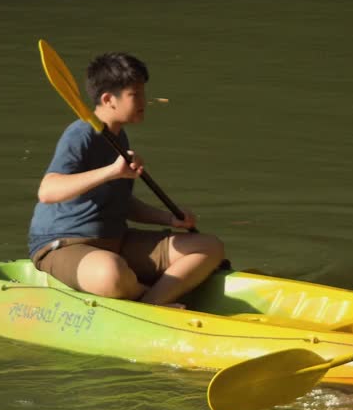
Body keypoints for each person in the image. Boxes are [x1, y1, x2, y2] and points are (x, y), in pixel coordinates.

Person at [27, 51, 225, 306]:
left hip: (116, 241)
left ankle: (152, 304)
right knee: (111, 273)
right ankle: (146, 295)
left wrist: (168, 218)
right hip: (64, 245)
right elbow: (47, 190)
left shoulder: (118, 137)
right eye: (136, 94)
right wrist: (113, 171)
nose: (144, 100)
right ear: (109, 99)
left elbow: (121, 201)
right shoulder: (80, 133)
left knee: (209, 246)